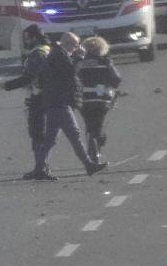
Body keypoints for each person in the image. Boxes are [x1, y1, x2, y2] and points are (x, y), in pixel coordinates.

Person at [30, 33, 108, 181]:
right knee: (74, 134)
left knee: (50, 139)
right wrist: (79, 58)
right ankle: (89, 165)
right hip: (59, 102)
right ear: (67, 44)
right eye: (75, 45)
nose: (77, 48)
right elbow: (71, 72)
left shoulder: (57, 54)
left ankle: (39, 169)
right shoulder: (60, 55)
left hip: (55, 102)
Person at [3, 25, 53, 177]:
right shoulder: (49, 49)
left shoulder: (37, 54)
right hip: (51, 96)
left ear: (34, 38)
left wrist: (8, 85)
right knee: (46, 134)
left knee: (37, 134)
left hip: (39, 97)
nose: (25, 42)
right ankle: (42, 166)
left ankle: (40, 168)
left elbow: (29, 77)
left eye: (27, 38)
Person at [77, 36, 123, 166]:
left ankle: (93, 152)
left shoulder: (79, 63)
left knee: (89, 125)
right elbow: (117, 80)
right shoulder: (105, 62)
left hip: (83, 100)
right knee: (97, 127)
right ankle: (95, 153)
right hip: (101, 100)